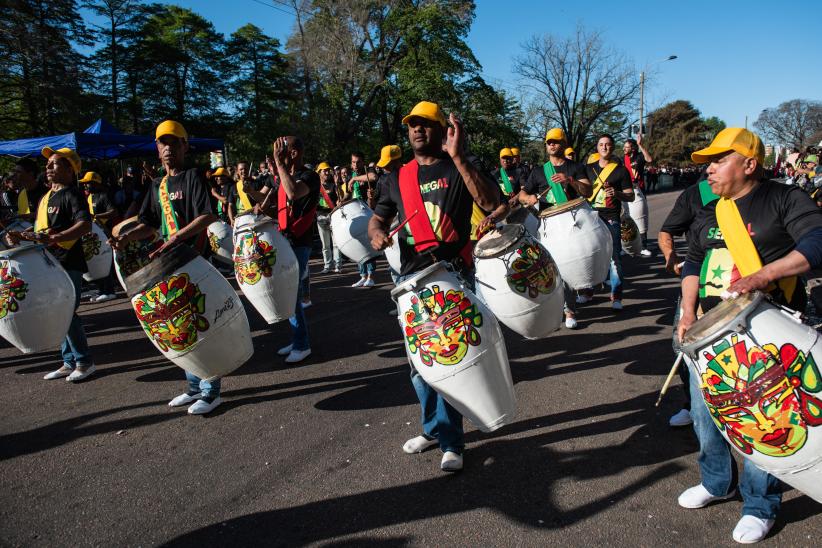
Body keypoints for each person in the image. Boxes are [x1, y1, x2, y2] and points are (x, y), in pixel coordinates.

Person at [676, 128, 822, 544]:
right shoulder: (712, 209)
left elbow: (818, 240)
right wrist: (687, 312)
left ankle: (761, 504)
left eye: (719, 160)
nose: (710, 168)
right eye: (709, 161)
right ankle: (717, 482)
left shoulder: (784, 198)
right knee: (706, 419)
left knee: (766, 423)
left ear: (749, 164)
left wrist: (765, 274)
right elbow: (692, 262)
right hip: (707, 333)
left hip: (764, 331)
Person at [368, 101, 501, 473]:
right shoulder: (397, 178)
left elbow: (492, 202)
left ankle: (452, 441)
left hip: (451, 274)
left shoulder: (458, 167)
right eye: (412, 124)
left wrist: (459, 158)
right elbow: (377, 219)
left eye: (426, 124)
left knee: (448, 358)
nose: (417, 130)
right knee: (418, 365)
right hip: (410, 281)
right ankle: (432, 430)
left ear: (444, 131)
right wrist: (377, 234)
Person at [110, 120, 220, 415]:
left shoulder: (193, 177)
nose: (168, 148)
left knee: (199, 325)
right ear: (157, 149)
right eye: (162, 143)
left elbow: (208, 216)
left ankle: (211, 391)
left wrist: (176, 237)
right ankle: (194, 387)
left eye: (174, 142)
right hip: (168, 265)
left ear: (185, 146)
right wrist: (125, 238)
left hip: (194, 260)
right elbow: (147, 223)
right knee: (181, 327)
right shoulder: (158, 186)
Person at [9, 148, 95, 382]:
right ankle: (69, 361)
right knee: (60, 313)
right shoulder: (47, 196)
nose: (48, 168)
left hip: (69, 262)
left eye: (55, 164)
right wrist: (23, 235)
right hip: (51, 263)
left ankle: (84, 362)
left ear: (70, 169)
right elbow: (43, 229)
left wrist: (56, 238)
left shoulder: (72, 194)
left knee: (68, 313)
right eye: (48, 164)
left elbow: (85, 225)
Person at [519, 127, 592, 329]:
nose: (552, 145)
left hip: (574, 224)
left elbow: (588, 190)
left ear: (564, 144)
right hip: (549, 226)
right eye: (549, 142)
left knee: (571, 265)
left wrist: (570, 181)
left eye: (556, 142)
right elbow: (523, 195)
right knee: (554, 267)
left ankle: (575, 301)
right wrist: (529, 198)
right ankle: (566, 308)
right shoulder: (539, 171)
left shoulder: (575, 167)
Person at [256, 136, 319, 364]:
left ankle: (302, 345)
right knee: (287, 293)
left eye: (283, 150)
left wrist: (278, 164)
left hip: (300, 242)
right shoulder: (284, 176)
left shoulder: (309, 176)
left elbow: (293, 193)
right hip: (285, 239)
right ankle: (297, 340)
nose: (279, 153)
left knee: (291, 294)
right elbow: (278, 209)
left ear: (294, 153)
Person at [582, 134, 634, 310]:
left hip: (611, 217)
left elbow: (631, 196)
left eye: (608, 145)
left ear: (612, 148)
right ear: (597, 147)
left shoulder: (621, 170)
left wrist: (617, 193)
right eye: (601, 144)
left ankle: (617, 295)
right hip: (590, 217)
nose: (604, 147)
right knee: (589, 256)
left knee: (615, 257)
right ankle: (587, 291)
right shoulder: (587, 169)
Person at [80, 171, 118, 302]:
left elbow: (113, 212)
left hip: (105, 233)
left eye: (88, 183)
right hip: (95, 234)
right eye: (84, 184)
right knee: (97, 262)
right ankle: (102, 290)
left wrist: (96, 217)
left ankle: (109, 291)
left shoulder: (103, 196)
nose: (85, 186)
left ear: (96, 183)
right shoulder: (90, 197)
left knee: (104, 261)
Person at [623, 136, 654, 256]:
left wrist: (641, 145)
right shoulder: (622, 159)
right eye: (624, 147)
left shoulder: (639, 157)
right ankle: (627, 246)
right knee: (626, 218)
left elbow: (649, 159)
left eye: (627, 147)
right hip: (626, 191)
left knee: (641, 218)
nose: (625, 149)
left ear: (633, 148)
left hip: (639, 190)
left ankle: (643, 246)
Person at [315, 162, 341, 274]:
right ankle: (327, 265)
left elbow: (340, 198)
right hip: (320, 217)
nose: (327, 172)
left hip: (332, 216)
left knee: (336, 243)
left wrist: (337, 184)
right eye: (324, 170)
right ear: (319, 172)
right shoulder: (315, 186)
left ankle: (338, 265)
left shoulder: (333, 184)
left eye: (327, 170)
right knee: (325, 245)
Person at [11, 158, 48, 223]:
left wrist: (31, 215)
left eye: (18, 172)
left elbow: (50, 215)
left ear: (31, 173)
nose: (14, 174)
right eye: (14, 171)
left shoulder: (45, 192)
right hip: (25, 228)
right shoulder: (22, 192)